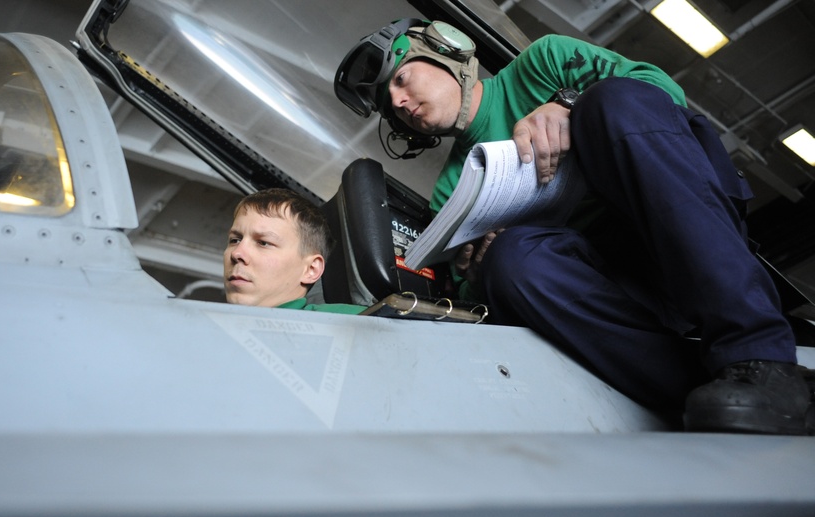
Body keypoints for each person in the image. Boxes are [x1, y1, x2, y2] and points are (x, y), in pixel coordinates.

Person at [334, 19, 813, 434]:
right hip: (613, 289)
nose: (398, 101)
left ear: (445, 50)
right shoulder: (454, 189)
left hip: (683, 226)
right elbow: (486, 297)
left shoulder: (545, 62)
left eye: (400, 78)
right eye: (387, 104)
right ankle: (706, 389)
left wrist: (569, 104)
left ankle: (759, 353)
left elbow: (662, 95)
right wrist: (476, 268)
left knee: (613, 102)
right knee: (511, 260)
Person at [224, 188, 366, 314]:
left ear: (311, 269)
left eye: (263, 243)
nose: (237, 253)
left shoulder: (358, 323)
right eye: (235, 240)